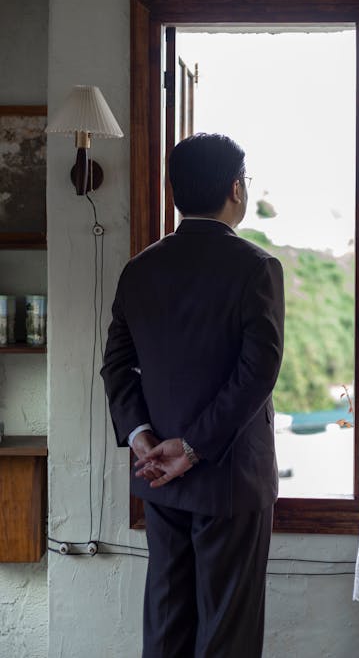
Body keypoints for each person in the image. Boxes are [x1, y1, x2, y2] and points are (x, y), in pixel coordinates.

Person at [101, 132, 285, 658]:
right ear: (235, 189)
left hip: (157, 476)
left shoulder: (141, 269)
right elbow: (258, 371)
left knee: (166, 624)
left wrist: (142, 438)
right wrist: (194, 447)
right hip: (232, 481)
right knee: (228, 633)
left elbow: (116, 365)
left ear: (176, 190)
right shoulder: (256, 267)